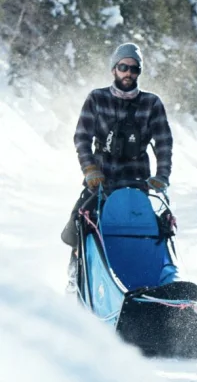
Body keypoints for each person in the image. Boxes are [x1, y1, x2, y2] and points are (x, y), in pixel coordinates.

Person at [62, 42, 174, 290]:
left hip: (137, 184)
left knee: (149, 232)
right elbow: (82, 137)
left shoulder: (151, 103)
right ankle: (75, 278)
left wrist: (162, 176)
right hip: (101, 182)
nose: (128, 73)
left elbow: (164, 142)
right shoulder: (97, 98)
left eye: (134, 69)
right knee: (78, 226)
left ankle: (146, 281)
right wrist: (90, 169)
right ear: (114, 69)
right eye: (123, 67)